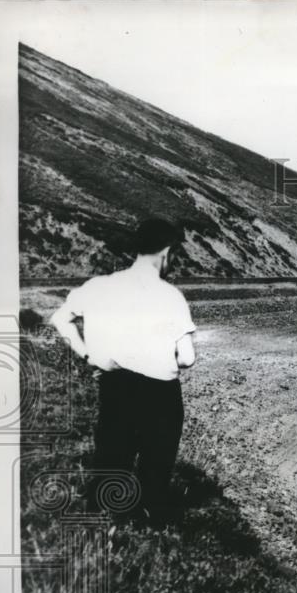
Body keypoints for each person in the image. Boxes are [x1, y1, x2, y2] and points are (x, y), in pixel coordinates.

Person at [50, 218, 196, 526]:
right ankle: (147, 525)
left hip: (116, 384)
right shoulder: (171, 297)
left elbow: (61, 319)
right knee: (155, 469)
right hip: (161, 393)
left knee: (112, 457)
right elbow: (187, 358)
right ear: (167, 252)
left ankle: (102, 525)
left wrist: (90, 354)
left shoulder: (100, 286)